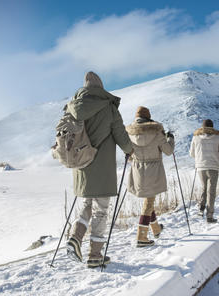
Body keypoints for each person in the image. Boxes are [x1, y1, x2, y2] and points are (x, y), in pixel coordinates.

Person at [66, 71, 133, 268]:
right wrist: (130, 150)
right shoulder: (109, 107)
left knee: (87, 204)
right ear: (100, 88)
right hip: (102, 167)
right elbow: (121, 135)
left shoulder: (72, 107)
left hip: (81, 165)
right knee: (101, 210)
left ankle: (75, 237)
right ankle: (95, 254)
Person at [126, 106, 174, 247]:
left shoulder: (129, 134)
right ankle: (142, 237)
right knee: (149, 202)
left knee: (149, 199)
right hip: (154, 170)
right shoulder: (157, 132)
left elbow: (128, 155)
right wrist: (170, 138)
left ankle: (156, 229)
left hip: (138, 170)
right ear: (148, 117)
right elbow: (168, 151)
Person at [189, 119, 219, 223]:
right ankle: (210, 216)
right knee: (211, 191)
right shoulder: (217, 137)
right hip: (213, 167)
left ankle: (201, 207)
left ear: (202, 127)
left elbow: (192, 153)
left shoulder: (196, 138)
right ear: (212, 127)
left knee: (204, 188)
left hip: (200, 167)